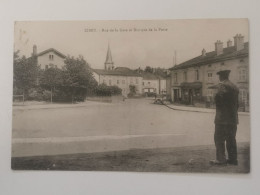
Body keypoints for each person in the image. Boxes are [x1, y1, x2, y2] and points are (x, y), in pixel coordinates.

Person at [210, 70, 239, 166]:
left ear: (220, 77)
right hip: (233, 119)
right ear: (228, 76)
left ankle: (221, 160)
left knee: (219, 139)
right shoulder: (235, 87)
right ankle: (233, 159)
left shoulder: (221, 86)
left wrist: (215, 96)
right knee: (231, 139)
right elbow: (237, 104)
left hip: (222, 119)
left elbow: (218, 101)